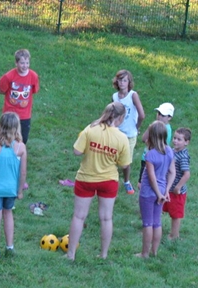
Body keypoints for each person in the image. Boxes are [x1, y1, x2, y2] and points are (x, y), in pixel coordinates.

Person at [66, 102, 131, 261]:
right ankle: (103, 255)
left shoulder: (91, 128)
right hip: (108, 181)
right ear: (121, 118)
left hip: (86, 178)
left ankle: (70, 255)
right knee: (106, 218)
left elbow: (76, 151)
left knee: (79, 216)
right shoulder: (122, 138)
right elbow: (124, 164)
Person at [0, 112, 27, 259]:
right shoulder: (21, 147)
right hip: (11, 190)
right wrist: (19, 191)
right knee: (8, 214)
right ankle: (10, 247)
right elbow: (23, 172)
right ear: (17, 128)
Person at [0, 49, 38, 190]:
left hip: (25, 116)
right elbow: (0, 89)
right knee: (5, 139)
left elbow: (33, 90)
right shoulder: (9, 77)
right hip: (9, 115)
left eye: (27, 63)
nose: (25, 66)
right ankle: (1, 164)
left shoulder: (33, 76)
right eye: (22, 63)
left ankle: (17, 170)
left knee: (21, 141)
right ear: (16, 63)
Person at [136, 121, 175, 258]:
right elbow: (172, 172)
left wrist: (159, 194)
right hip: (162, 191)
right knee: (157, 222)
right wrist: (165, 192)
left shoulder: (150, 154)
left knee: (147, 223)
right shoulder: (169, 151)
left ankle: (144, 253)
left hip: (148, 192)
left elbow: (151, 178)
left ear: (152, 136)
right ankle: (154, 252)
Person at [112, 69, 145, 194]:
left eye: (125, 80)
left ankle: (126, 181)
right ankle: (112, 179)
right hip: (117, 132)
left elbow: (142, 115)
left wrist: (136, 128)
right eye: (120, 80)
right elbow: (113, 113)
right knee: (113, 156)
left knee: (125, 162)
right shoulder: (115, 97)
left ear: (129, 82)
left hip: (130, 135)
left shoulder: (133, 95)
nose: (122, 83)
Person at [138, 103, 174, 190]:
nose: (159, 116)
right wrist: (151, 127)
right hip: (146, 158)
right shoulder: (154, 126)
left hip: (155, 159)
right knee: (141, 184)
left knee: (145, 183)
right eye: (158, 113)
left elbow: (159, 146)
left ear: (169, 117)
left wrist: (149, 142)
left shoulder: (166, 130)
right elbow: (143, 139)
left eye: (162, 115)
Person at [163, 127, 191, 240]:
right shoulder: (173, 151)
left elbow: (187, 174)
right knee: (164, 208)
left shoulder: (183, 156)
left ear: (186, 142)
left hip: (177, 192)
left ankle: (174, 235)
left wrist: (177, 187)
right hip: (168, 188)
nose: (175, 141)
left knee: (175, 215)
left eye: (179, 139)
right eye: (174, 138)